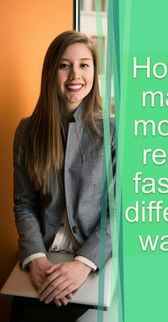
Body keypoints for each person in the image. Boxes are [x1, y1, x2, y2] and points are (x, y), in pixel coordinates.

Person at [10, 31, 115, 322]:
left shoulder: (114, 132)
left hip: (94, 263)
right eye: (64, 65)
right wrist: (36, 260)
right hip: (43, 262)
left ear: (95, 71)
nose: (75, 75)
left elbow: (119, 213)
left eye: (84, 65)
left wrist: (83, 264)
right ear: (50, 71)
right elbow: (25, 204)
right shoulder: (27, 131)